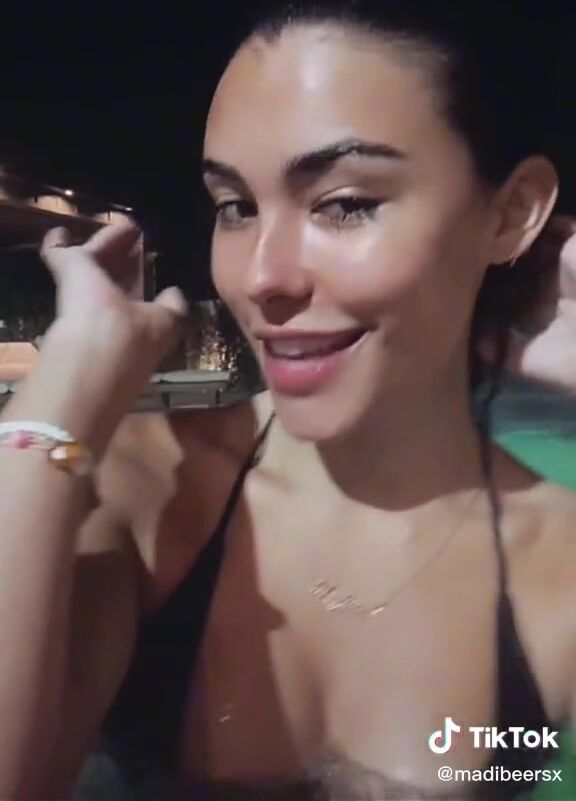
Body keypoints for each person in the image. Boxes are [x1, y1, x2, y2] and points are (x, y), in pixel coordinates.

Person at [0, 2, 575, 799]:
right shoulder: (139, 493)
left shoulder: (558, 559)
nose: (261, 275)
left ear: (509, 214)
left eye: (344, 203)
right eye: (235, 207)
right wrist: (65, 381)